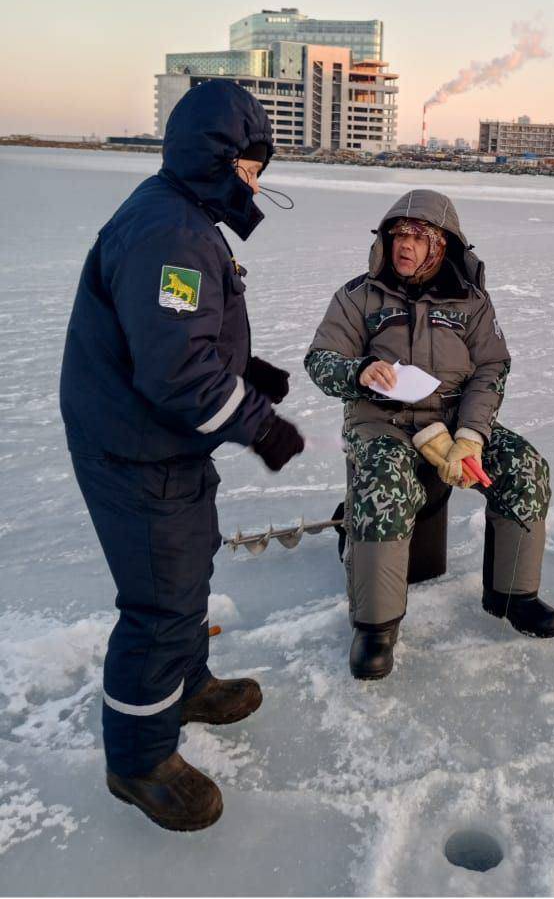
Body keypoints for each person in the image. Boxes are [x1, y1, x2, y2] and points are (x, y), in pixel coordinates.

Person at [59, 80, 305, 831]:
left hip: (165, 441)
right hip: (137, 450)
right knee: (160, 603)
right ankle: (137, 758)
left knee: (189, 563)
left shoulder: (186, 216)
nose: (260, 180)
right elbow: (175, 371)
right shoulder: (173, 231)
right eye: (255, 163)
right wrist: (261, 424)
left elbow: (184, 336)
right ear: (223, 159)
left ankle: (186, 681)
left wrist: (247, 371)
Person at [305, 189, 554, 679]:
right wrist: (358, 371)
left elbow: (491, 368)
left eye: (418, 237)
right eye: (397, 234)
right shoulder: (358, 295)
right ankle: (375, 628)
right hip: (381, 423)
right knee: (384, 482)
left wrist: (471, 435)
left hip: (452, 422)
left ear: (442, 245)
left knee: (524, 465)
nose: (404, 245)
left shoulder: (471, 302)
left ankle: (515, 595)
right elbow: (320, 361)